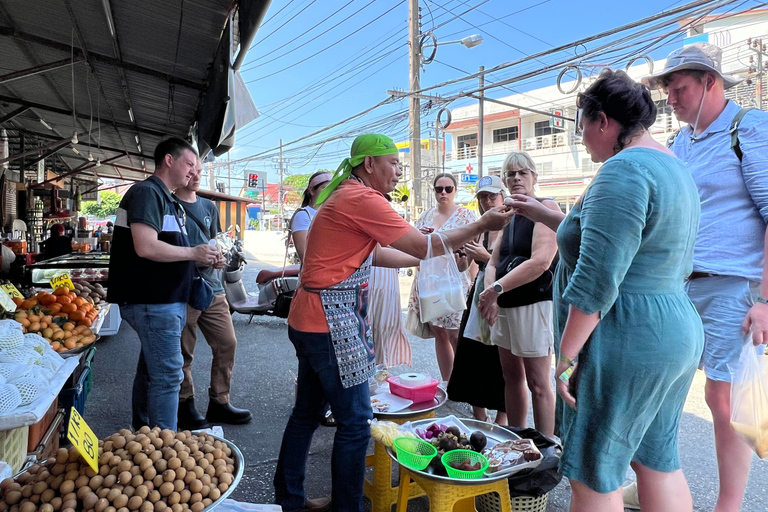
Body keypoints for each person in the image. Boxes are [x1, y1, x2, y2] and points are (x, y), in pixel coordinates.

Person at [272, 133, 514, 512]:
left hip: (310, 318)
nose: (399, 172)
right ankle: (346, 507)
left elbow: (383, 254)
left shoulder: (346, 194)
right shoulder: (363, 198)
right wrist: (477, 224)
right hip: (329, 324)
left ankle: (288, 499)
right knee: (355, 422)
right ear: (370, 165)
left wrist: (427, 255)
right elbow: (420, 245)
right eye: (394, 163)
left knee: (306, 413)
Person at [513, 69, 703, 511]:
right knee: (656, 459)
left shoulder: (623, 171)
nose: (581, 140)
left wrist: (565, 356)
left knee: (595, 471)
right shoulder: (675, 167)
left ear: (602, 121)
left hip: (626, 333)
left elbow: (597, 281)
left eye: (581, 127)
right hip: (673, 329)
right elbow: (619, 241)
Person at [634, 43, 768, 512]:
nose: (669, 97)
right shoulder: (682, 142)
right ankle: (658, 483)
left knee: (722, 398)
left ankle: (728, 505)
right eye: (667, 89)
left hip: (734, 283)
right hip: (680, 283)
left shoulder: (748, 127)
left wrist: (766, 301)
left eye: (678, 88)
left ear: (709, 82)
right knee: (663, 381)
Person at [107, 137, 221, 431]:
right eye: (189, 164)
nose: (193, 172)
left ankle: (145, 432)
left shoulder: (166, 198)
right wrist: (194, 252)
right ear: (169, 160)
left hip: (164, 300)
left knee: (152, 371)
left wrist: (200, 257)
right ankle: (163, 446)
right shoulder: (147, 192)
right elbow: (145, 247)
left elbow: (167, 250)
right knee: (169, 376)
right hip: (152, 300)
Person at [477, 153, 559, 437]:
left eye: (522, 173)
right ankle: (516, 439)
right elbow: (492, 262)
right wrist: (492, 292)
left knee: (538, 383)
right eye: (510, 174)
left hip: (533, 303)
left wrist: (496, 289)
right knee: (511, 379)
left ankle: (547, 446)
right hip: (504, 305)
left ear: (534, 177)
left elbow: (541, 261)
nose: (516, 179)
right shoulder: (509, 216)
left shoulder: (545, 208)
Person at [175, 158, 252, 430]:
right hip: (182, 289)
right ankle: (185, 404)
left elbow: (214, 241)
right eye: (190, 169)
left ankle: (219, 401)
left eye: (199, 170)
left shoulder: (208, 206)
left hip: (213, 287)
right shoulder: (170, 205)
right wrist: (191, 258)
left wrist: (218, 258)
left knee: (227, 343)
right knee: (184, 352)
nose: (195, 175)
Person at [447, 175, 508, 424]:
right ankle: (478, 417)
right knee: (472, 357)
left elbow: (516, 267)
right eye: (482, 197)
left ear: (503, 196)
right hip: (477, 298)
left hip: (503, 297)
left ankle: (504, 419)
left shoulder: (513, 226)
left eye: (492, 196)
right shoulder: (480, 228)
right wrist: (458, 253)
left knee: (502, 361)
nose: (487, 202)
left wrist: (485, 257)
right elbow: (463, 267)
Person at [407, 173, 477, 380]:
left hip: (457, 281)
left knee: (456, 334)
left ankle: (464, 383)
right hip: (429, 282)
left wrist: (473, 280)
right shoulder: (426, 216)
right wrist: (417, 234)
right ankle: (448, 382)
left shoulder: (467, 216)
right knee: (439, 332)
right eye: (439, 189)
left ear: (455, 190)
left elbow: (473, 251)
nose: (443, 193)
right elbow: (415, 246)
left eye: (448, 188)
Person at [289, 171, 332, 263]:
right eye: (325, 189)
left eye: (332, 189)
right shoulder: (303, 215)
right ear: (312, 190)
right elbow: (306, 256)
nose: (329, 193)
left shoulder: (332, 215)